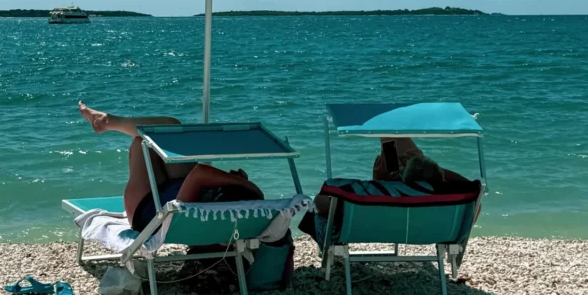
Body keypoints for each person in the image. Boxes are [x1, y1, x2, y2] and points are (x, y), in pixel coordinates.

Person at [79, 102, 264, 232]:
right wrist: (240, 184)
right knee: (164, 133)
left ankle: (107, 121)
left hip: (147, 211)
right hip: (171, 199)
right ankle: (105, 121)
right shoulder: (212, 205)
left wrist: (242, 183)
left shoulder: (208, 196)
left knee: (152, 135)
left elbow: (202, 172)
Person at [301, 137, 475, 244]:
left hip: (342, 233)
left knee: (321, 208)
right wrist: (437, 171)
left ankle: (387, 129)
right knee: (399, 146)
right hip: (430, 232)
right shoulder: (461, 199)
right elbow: (470, 185)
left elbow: (320, 202)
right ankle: (392, 134)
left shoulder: (368, 193)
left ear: (404, 180)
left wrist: (379, 182)